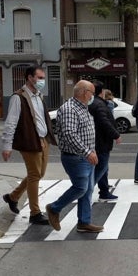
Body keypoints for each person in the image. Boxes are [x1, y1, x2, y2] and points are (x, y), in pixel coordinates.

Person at [1, 66, 57, 225]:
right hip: (29, 141)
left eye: (43, 78)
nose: (42, 81)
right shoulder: (18, 98)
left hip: (43, 140)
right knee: (34, 175)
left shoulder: (39, 96)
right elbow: (10, 123)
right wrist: (7, 146)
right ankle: (35, 213)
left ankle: (12, 197)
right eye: (39, 78)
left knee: (39, 174)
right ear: (29, 78)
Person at [45, 80, 103, 233]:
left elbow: (86, 132)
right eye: (92, 93)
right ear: (84, 92)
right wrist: (87, 152)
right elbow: (70, 134)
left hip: (86, 155)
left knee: (88, 189)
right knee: (80, 188)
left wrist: (92, 150)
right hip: (75, 157)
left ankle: (84, 222)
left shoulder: (83, 108)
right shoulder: (70, 109)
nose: (93, 96)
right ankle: (54, 208)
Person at [88, 81, 121, 202]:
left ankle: (104, 191)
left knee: (103, 168)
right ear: (102, 92)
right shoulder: (100, 104)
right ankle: (87, 190)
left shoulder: (93, 103)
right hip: (101, 141)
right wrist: (116, 135)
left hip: (96, 140)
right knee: (101, 167)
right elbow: (104, 122)